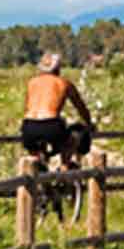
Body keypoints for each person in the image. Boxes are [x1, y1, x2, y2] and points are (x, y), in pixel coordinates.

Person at [21, 52, 93, 211]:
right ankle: (64, 170)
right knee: (70, 141)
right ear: (58, 68)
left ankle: (42, 187)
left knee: (36, 157)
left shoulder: (31, 82)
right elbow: (80, 106)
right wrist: (89, 123)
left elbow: (28, 106)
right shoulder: (63, 83)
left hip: (29, 125)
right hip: (51, 124)